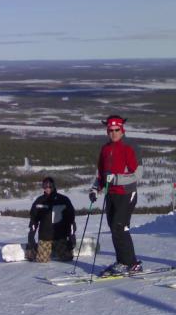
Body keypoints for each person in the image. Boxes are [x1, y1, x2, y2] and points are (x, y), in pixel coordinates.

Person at [89, 115, 143, 276]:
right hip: (110, 194)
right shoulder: (106, 148)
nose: (113, 133)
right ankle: (122, 261)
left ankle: (131, 263)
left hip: (126, 193)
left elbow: (138, 174)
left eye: (116, 130)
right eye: (110, 130)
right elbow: (101, 174)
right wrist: (95, 189)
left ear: (122, 129)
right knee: (114, 228)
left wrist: (118, 179)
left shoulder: (130, 146)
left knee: (120, 226)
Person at [27, 177, 76, 263]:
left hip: (60, 236)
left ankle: (60, 248)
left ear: (54, 186)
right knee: (42, 260)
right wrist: (31, 236)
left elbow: (71, 219)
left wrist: (71, 236)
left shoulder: (64, 200)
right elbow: (34, 220)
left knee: (67, 257)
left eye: (50, 186)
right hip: (45, 237)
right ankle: (32, 250)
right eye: (45, 186)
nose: (48, 188)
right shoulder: (39, 201)